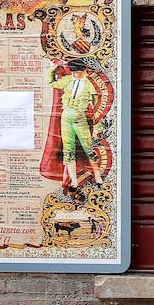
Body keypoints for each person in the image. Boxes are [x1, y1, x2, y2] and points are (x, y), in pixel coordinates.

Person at [43, 59, 102, 203]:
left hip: (80, 118)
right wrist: (52, 69)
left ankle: (98, 175)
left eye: (78, 73)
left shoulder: (90, 85)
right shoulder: (68, 80)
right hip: (66, 118)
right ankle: (74, 181)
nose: (75, 75)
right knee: (68, 150)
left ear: (84, 71)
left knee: (88, 148)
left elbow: (96, 107)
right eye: (74, 73)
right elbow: (51, 83)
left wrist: (97, 127)